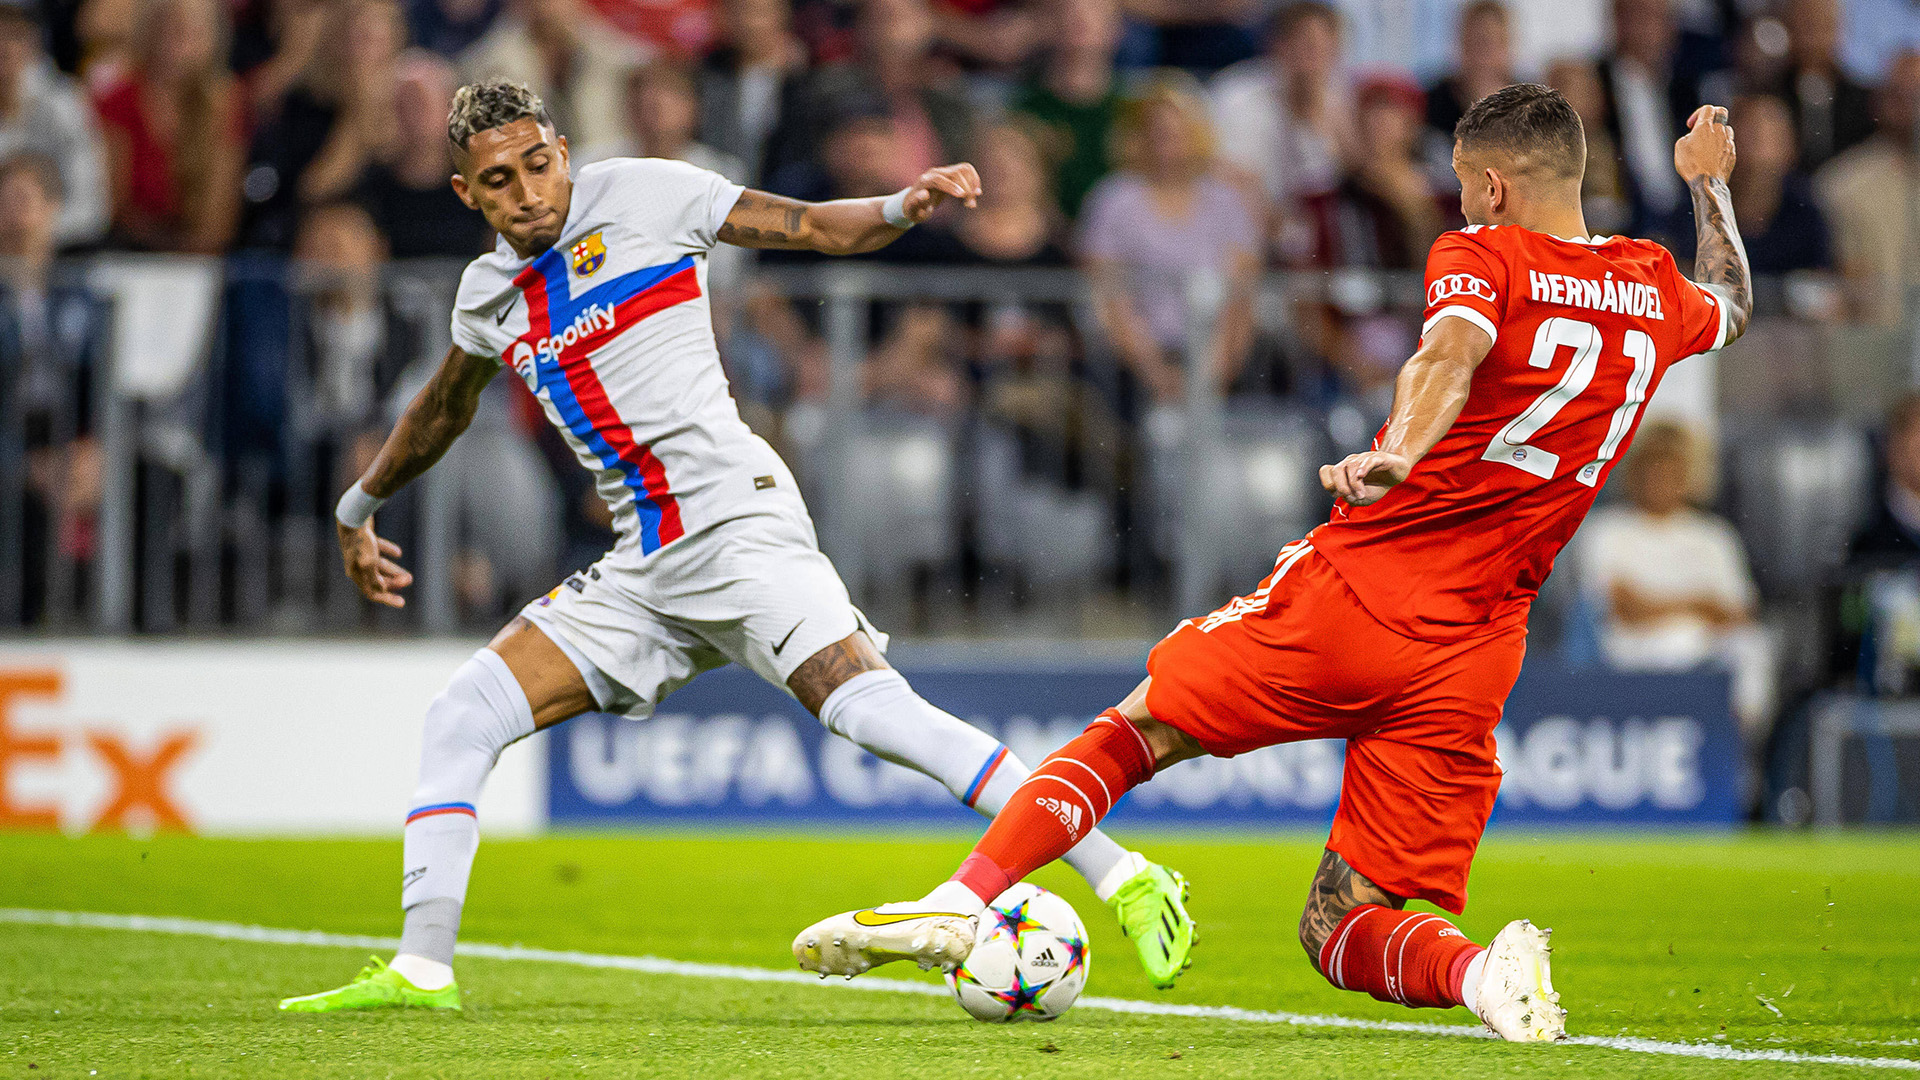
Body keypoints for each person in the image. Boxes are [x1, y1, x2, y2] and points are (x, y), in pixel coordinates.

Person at [793, 83, 1754, 1044]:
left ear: (1494, 187)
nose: (1461, 206)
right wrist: (1708, 189)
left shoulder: (1482, 253)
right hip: (1478, 647)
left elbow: (1448, 355)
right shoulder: (1651, 286)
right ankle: (1480, 976)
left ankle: (962, 901)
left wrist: (1402, 452)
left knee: (1137, 731)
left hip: (1365, 589)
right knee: (1341, 927)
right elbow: (1733, 304)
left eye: (1464, 188)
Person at [275, 78, 1194, 1013]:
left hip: (736, 524)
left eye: (540, 164)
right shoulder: (486, 296)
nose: (528, 193)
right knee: (463, 713)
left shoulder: (644, 193)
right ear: (467, 194)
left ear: (563, 148)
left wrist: (897, 206)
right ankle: (423, 969)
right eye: (499, 180)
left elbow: (808, 228)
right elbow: (442, 410)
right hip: (645, 566)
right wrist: (356, 508)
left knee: (874, 713)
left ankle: (1124, 875)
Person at [1578, 421, 1775, 741]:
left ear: (1686, 478)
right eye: (1652, 472)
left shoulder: (1715, 536)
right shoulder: (1607, 530)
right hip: (1633, 649)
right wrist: (1698, 604)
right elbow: (1626, 609)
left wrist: (1675, 608)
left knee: (1753, 647)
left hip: (1706, 648)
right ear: (1634, 475)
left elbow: (1740, 613)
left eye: (1670, 473)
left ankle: (1741, 746)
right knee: (1675, 643)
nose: (1660, 482)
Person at [1079, 72, 1259, 410]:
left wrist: (1211, 374)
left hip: (1214, 358)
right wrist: (1155, 373)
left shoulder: (1227, 203)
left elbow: (1240, 298)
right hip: (1131, 365)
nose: (1167, 143)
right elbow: (1109, 295)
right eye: (1157, 133)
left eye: (1177, 133)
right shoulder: (1113, 200)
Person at [88, 0, 243, 252]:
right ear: (148, 32)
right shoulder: (117, 100)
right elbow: (114, 204)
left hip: (201, 260)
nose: (176, 45)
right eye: (167, 29)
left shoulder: (225, 104)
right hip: (129, 251)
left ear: (210, 37)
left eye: (189, 32)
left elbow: (219, 216)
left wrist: (191, 254)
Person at [1816, 50, 1920, 326]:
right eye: (1901, 96)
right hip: (1870, 346)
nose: (1913, 108)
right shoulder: (1841, 184)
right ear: (1880, 102)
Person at [0, 0, 107, 247]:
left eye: (14, 34)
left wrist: (29, 228)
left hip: (57, 255)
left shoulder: (64, 103)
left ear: (33, 43)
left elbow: (91, 206)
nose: (3, 46)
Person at [1007, 0, 1124, 219]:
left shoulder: (1132, 110)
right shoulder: (1025, 114)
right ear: (1050, 25)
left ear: (1116, 28)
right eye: (1068, 11)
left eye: (1093, 10)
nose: (1080, 20)